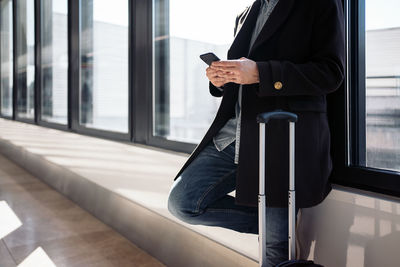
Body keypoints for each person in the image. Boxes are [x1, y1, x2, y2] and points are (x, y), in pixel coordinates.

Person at [168, 0, 344, 265]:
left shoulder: (320, 4)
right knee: (183, 202)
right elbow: (244, 77)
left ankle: (279, 233)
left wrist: (262, 73)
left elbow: (331, 73)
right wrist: (222, 80)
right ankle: (277, 226)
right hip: (236, 134)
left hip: (281, 138)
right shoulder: (245, 14)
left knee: (273, 252)